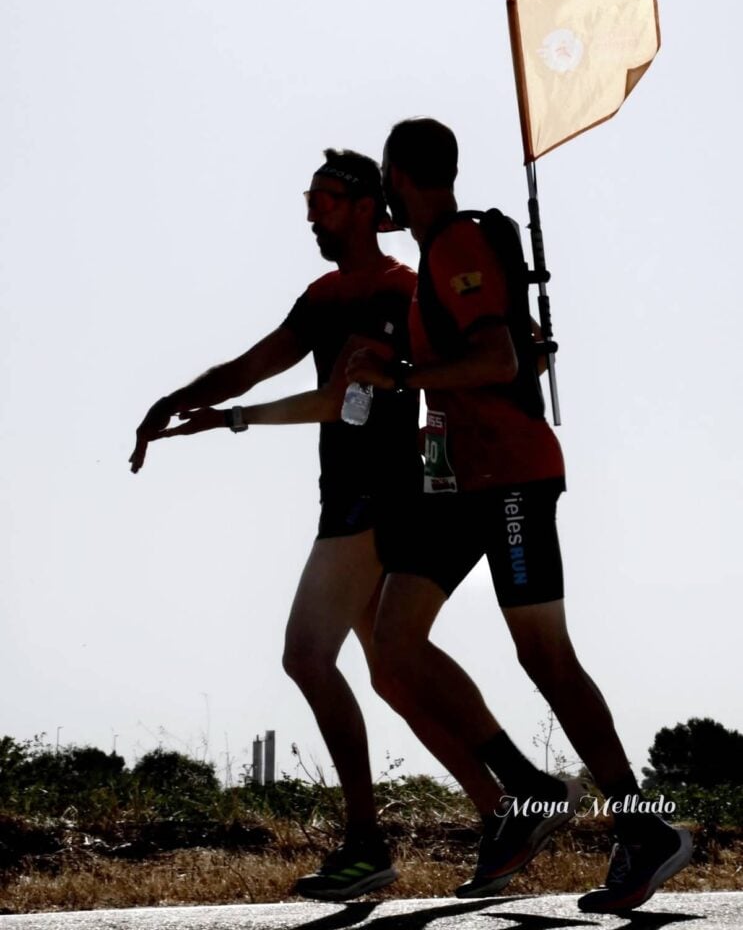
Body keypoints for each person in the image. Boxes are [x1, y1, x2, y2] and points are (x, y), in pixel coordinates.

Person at [129, 148, 517, 902]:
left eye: (326, 201)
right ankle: (501, 810)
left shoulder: (403, 289)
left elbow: (382, 394)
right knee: (393, 673)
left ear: (370, 207)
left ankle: (368, 842)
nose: (312, 215)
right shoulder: (324, 295)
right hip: (345, 497)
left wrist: (232, 418)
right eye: (308, 201)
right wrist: (173, 401)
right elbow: (251, 365)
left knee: (306, 657)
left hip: (380, 498)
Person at [346, 117, 693, 912]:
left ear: (399, 175)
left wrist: (403, 377)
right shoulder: (442, 255)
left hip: (510, 480)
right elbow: (526, 349)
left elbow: (498, 357)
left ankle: (642, 827)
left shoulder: (458, 245)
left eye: (385, 179)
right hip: (460, 485)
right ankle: (528, 790)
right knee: (393, 644)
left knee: (543, 656)